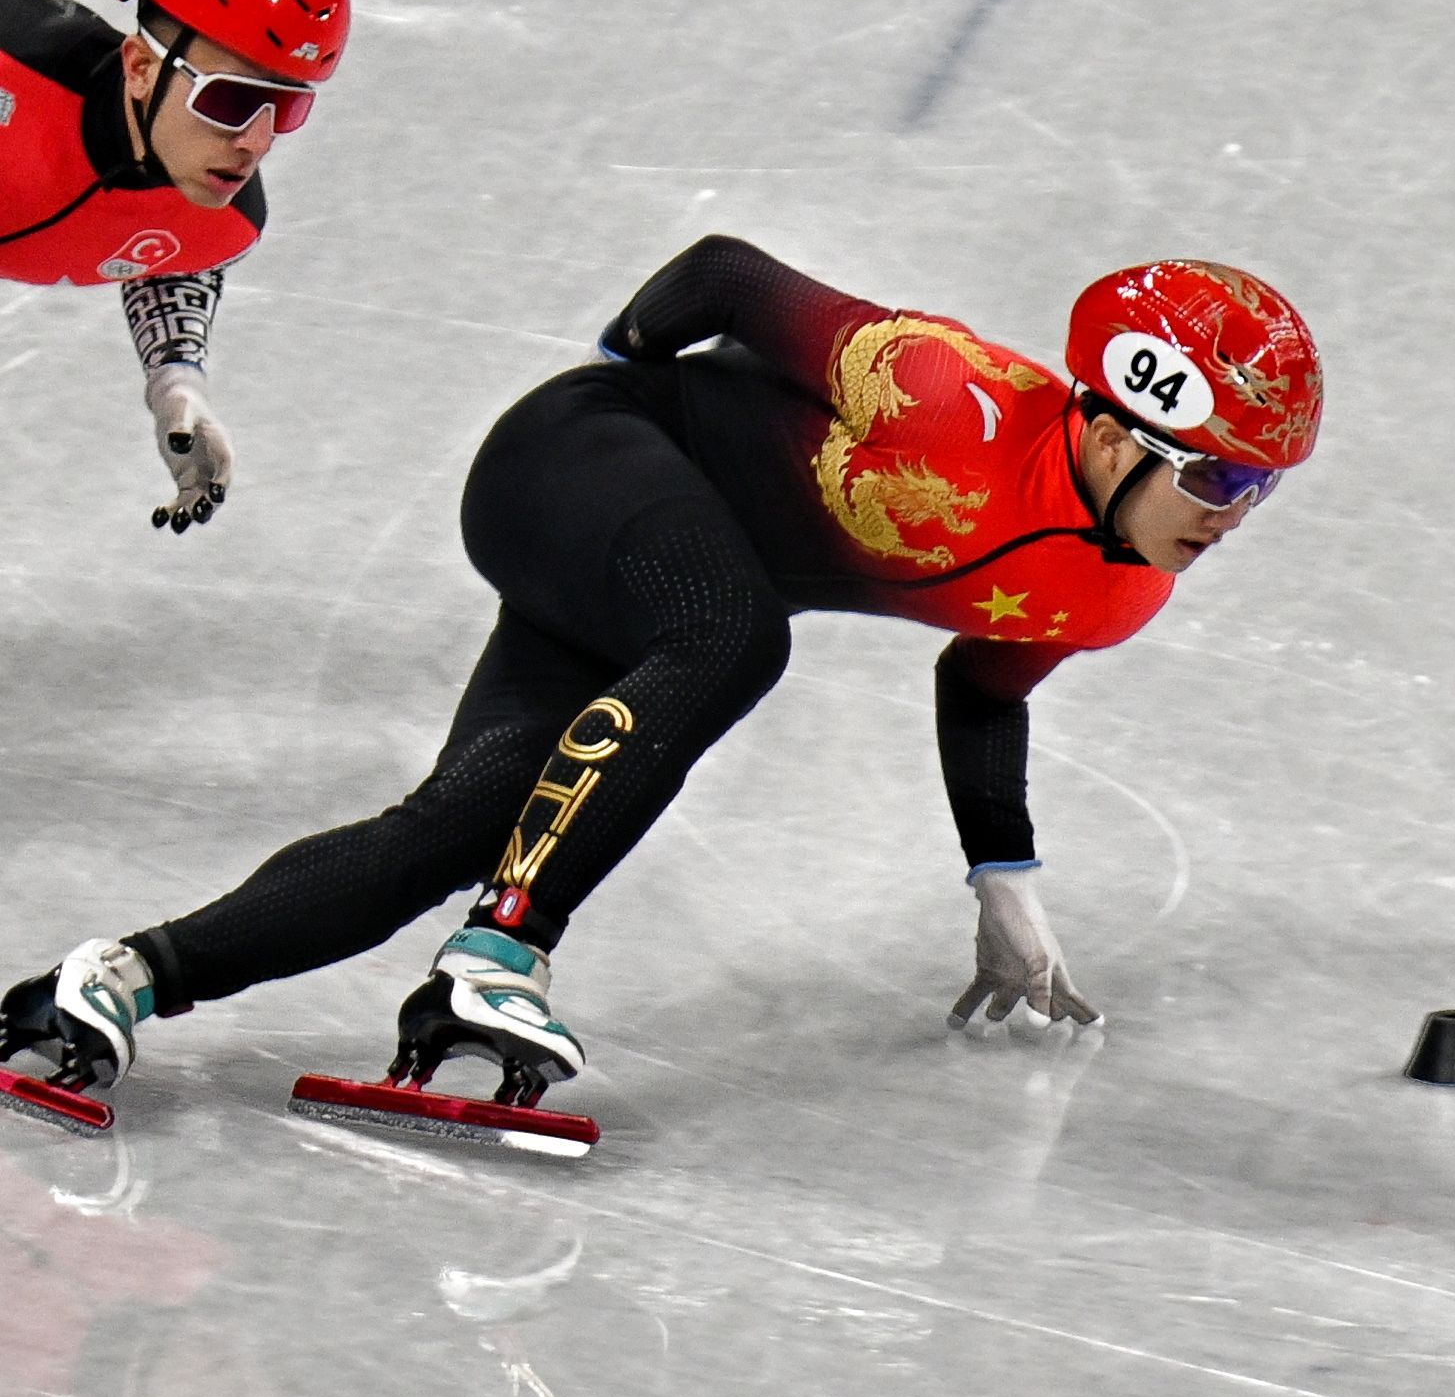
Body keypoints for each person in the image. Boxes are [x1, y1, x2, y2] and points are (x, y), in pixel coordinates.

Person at [0, 234, 1322, 1116]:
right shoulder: (945, 392)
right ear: (1106, 426)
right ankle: (501, 953)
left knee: (456, 822)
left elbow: (982, 686)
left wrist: (1004, 884)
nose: (1231, 512)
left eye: (1258, 487)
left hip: (660, 586)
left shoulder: (1117, 588)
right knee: (738, 634)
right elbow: (727, 279)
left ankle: (111, 978)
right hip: (582, 467)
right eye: (1214, 473)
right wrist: (610, 388)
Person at [0, 0, 350, 532]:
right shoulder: (11, 62)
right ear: (139, 68)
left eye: (287, 107)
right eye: (233, 101)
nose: (257, 142)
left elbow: (167, 256)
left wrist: (175, 381)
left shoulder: (226, 221)